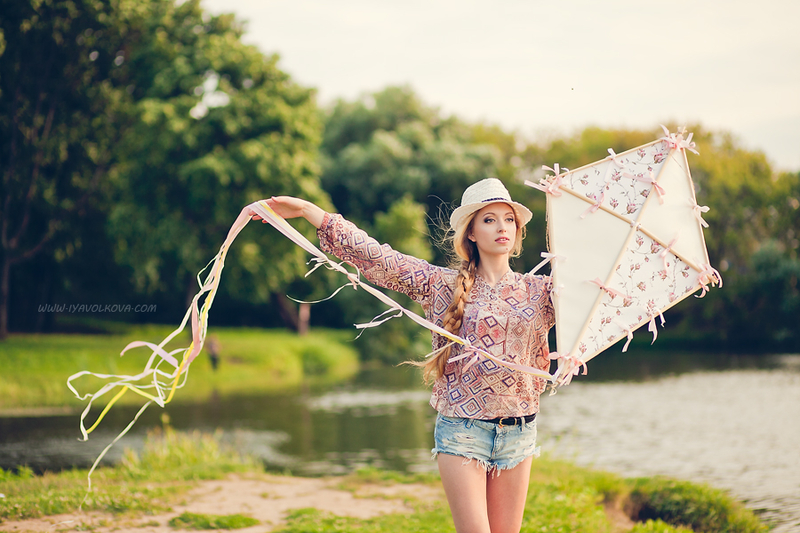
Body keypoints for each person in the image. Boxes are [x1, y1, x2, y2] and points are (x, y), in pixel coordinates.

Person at [250, 178, 554, 533]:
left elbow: (600, 303)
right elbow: (379, 257)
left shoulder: (543, 291)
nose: (502, 227)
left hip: (519, 432)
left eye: (509, 219)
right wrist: (308, 211)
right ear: (471, 232)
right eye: (489, 219)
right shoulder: (440, 284)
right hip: (463, 432)